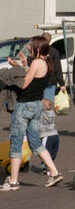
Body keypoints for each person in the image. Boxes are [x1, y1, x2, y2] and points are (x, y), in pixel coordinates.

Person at [0, 38, 64, 190]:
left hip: (24, 106)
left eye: (30, 47)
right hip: (36, 105)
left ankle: (13, 181)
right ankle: (54, 172)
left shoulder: (37, 63)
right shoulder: (46, 62)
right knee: (35, 142)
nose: (28, 49)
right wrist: (22, 64)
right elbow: (34, 77)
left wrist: (14, 73)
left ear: (37, 49)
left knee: (16, 141)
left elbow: (24, 84)